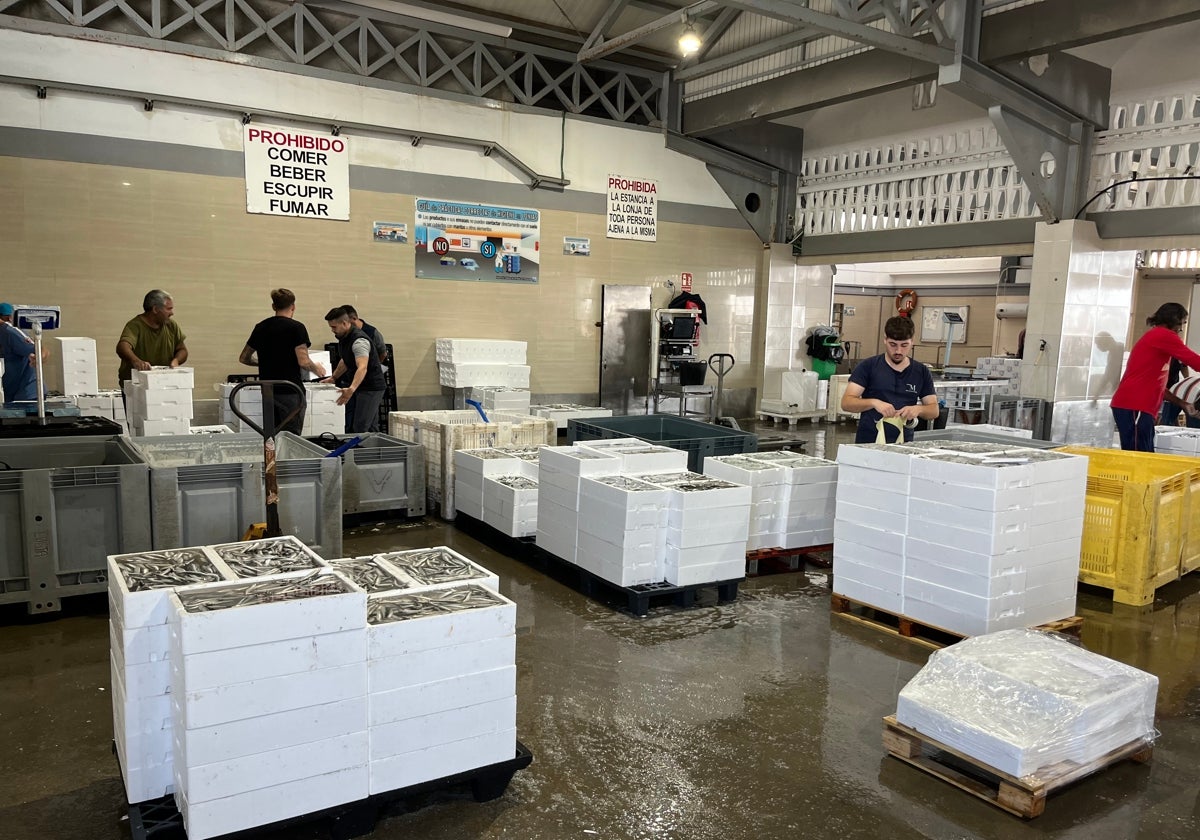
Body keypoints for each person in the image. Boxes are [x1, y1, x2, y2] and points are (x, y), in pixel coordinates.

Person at [1111, 303, 1200, 452]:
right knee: (1138, 454)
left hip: (1138, 406)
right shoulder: (1163, 335)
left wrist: (1183, 404)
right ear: (1173, 320)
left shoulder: (1157, 338)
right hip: (1134, 405)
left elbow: (1158, 387)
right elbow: (1194, 361)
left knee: (1146, 453)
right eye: (1182, 323)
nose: (1181, 329)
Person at [238, 289, 326, 435]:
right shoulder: (297, 328)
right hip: (290, 389)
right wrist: (317, 369)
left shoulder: (261, 327)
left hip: (268, 390)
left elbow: (244, 358)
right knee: (290, 435)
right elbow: (304, 361)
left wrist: (265, 363)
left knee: (271, 434)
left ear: (273, 306)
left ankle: (272, 458)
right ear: (293, 306)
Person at [841, 315, 939, 444]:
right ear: (885, 340)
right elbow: (846, 403)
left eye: (904, 345)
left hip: (904, 444)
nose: (898, 351)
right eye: (893, 344)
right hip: (869, 444)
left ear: (912, 342)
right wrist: (874, 403)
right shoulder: (868, 367)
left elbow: (934, 410)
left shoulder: (921, 372)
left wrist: (918, 409)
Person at [323, 306, 385, 433]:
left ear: (345, 323)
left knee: (361, 427)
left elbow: (362, 367)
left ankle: (361, 451)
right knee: (370, 426)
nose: (332, 330)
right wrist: (333, 377)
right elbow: (345, 360)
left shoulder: (359, 341)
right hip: (361, 387)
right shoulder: (344, 338)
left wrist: (351, 389)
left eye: (334, 327)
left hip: (371, 387)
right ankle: (374, 451)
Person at [116, 290, 187, 384]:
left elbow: (182, 350)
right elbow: (123, 346)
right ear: (155, 309)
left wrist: (176, 360)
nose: (172, 313)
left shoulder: (171, 325)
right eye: (169, 309)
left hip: (163, 383)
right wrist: (136, 361)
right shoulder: (135, 325)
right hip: (136, 384)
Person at [0, 302, 45, 402]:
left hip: (26, 394)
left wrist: (39, 358)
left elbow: (38, 350)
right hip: (11, 394)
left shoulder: (11, 332)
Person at [1159, 358, 1189, 426]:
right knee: (1163, 415)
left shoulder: (1178, 356)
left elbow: (1184, 367)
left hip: (1172, 389)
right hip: (1160, 387)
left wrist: (1187, 379)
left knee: (1168, 414)